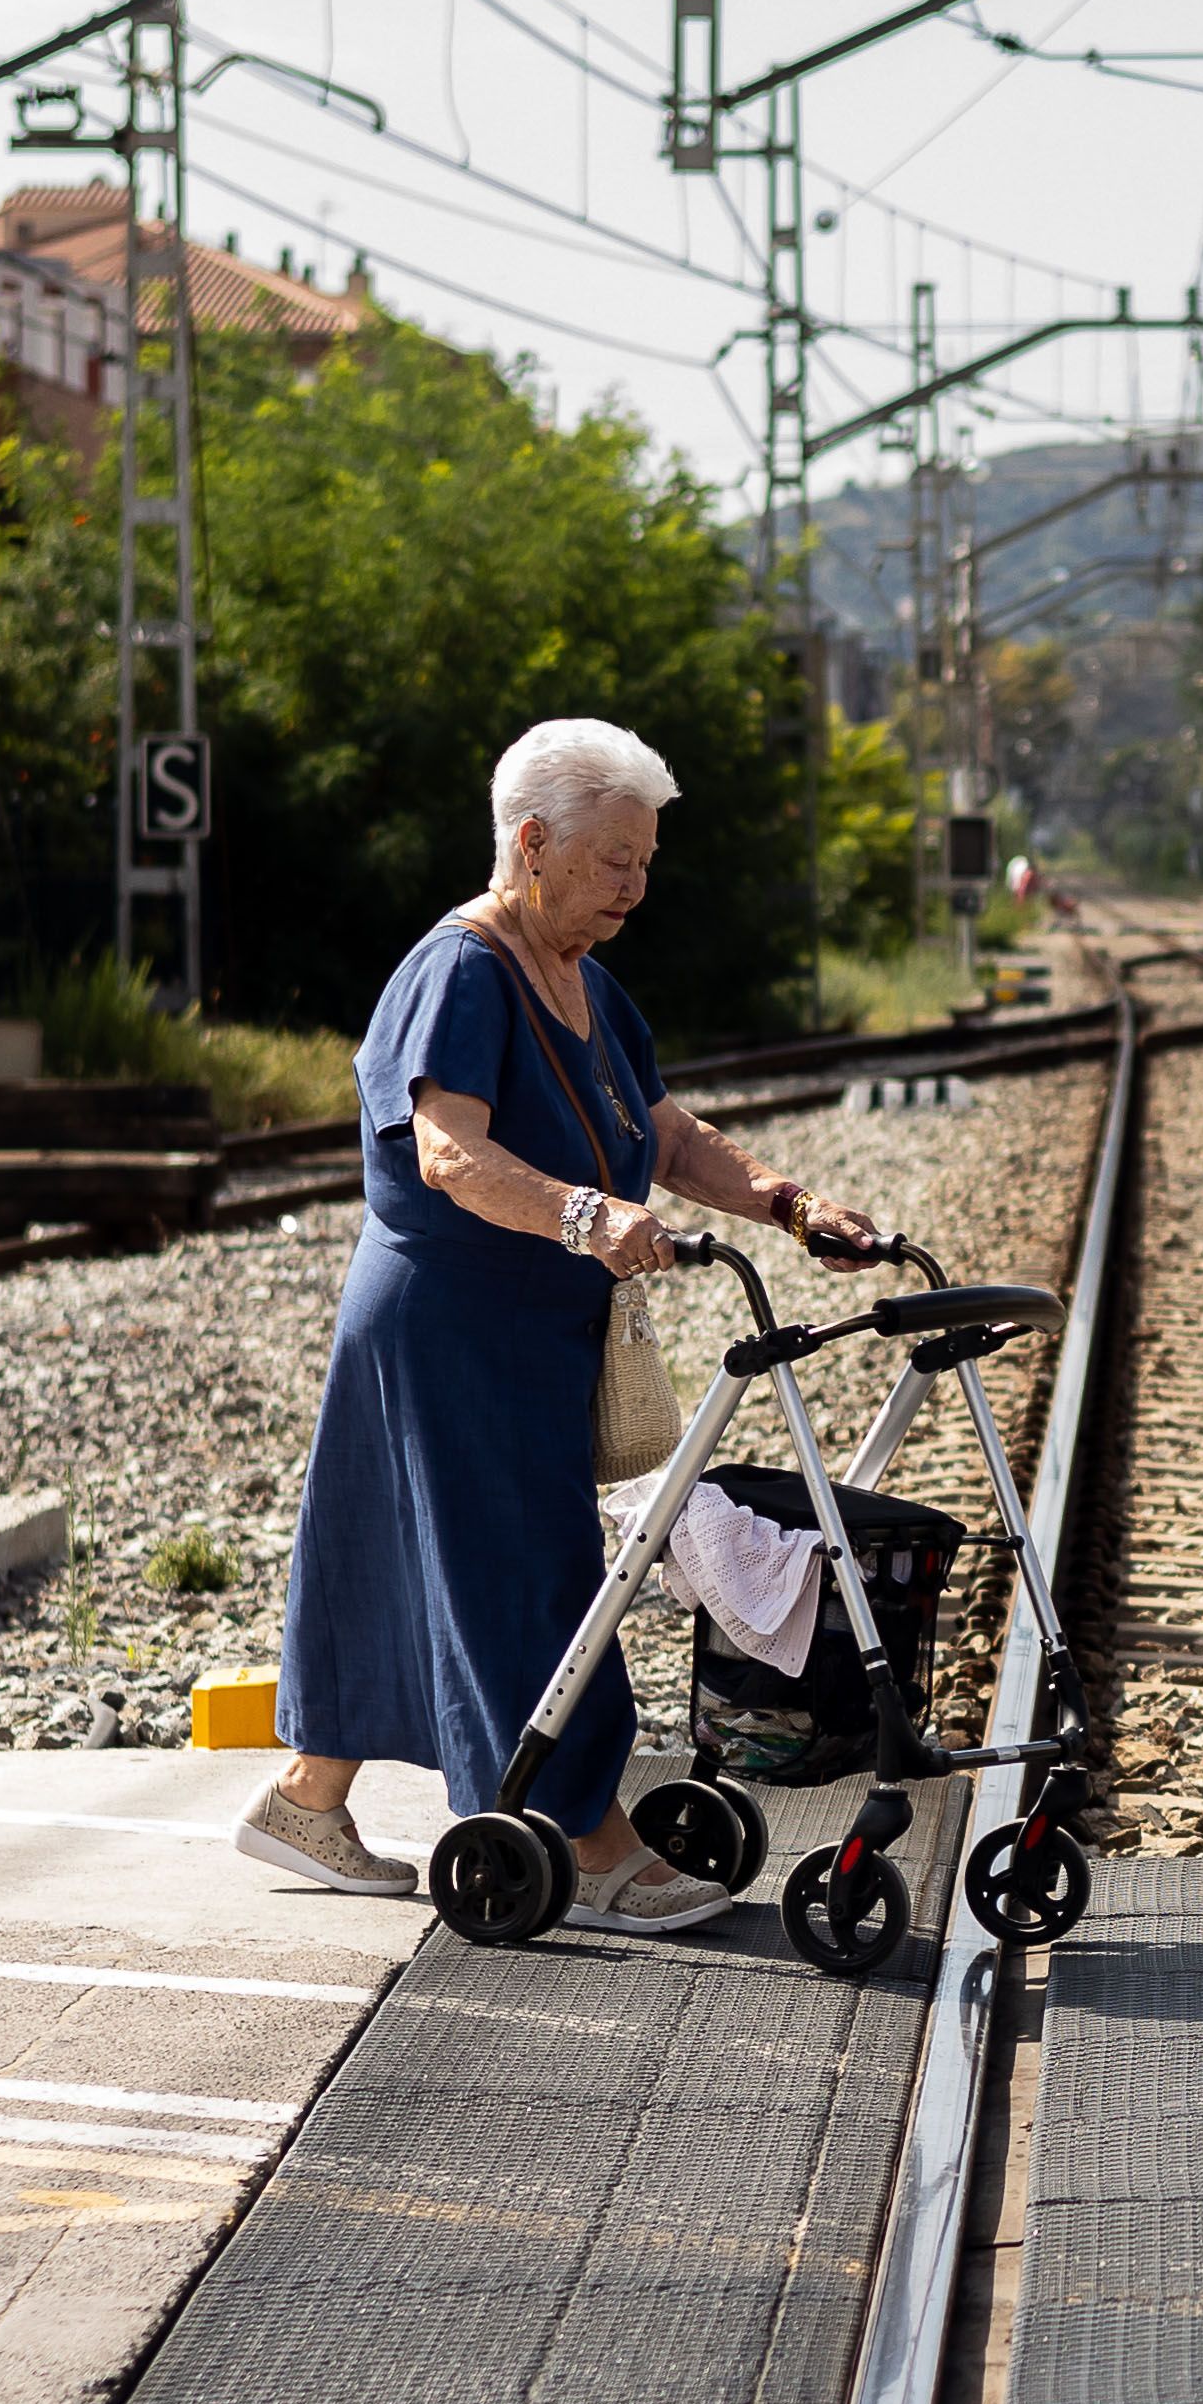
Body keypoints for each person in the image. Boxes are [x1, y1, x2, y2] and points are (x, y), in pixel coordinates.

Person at [239, 717, 891, 1930]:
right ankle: (587, 1839)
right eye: (614, 863)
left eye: (646, 863)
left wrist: (791, 1207)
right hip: (454, 1319)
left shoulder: (584, 976)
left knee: (395, 1555)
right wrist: (588, 1216)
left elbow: (674, 1136)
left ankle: (304, 1800)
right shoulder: (462, 971)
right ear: (532, 844)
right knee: (534, 1572)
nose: (635, 890)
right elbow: (448, 1152)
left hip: (525, 1324)